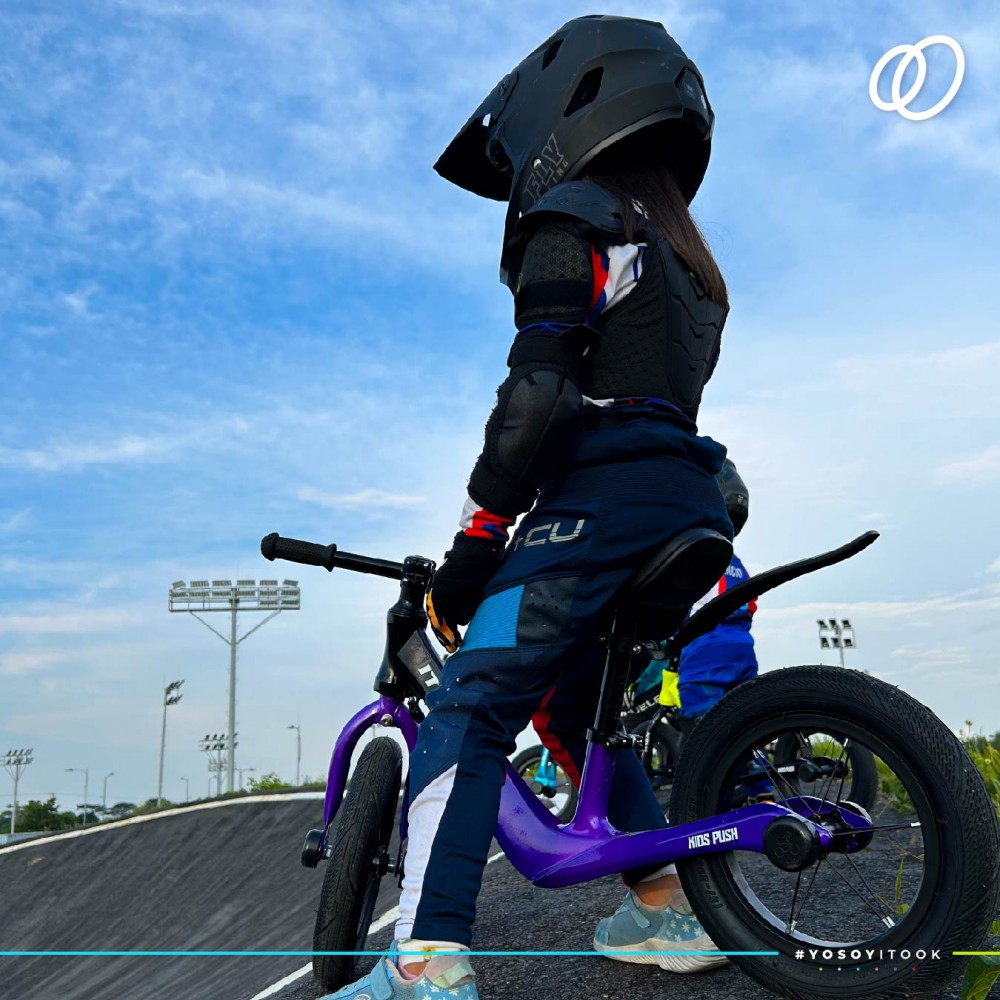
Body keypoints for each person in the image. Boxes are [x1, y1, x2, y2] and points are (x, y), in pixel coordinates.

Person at [327, 15, 734, 999]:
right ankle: (667, 907)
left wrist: (478, 532)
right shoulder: (691, 265)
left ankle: (424, 962)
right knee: (568, 701)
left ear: (567, 109)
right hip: (689, 500)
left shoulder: (576, 217)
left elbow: (539, 399)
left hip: (598, 509)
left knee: (468, 707)